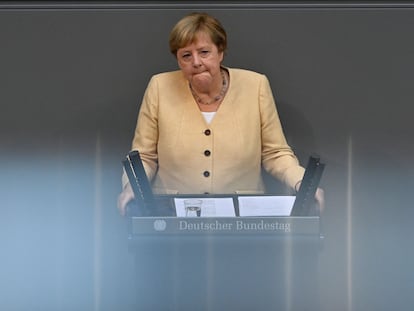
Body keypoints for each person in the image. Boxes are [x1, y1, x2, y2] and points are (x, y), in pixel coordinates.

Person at [117, 12, 324, 215]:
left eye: (204, 52)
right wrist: (132, 187)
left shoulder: (256, 86)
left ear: (220, 52)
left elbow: (275, 153)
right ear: (178, 60)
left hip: (241, 214)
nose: (196, 62)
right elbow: (144, 155)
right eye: (186, 55)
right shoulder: (159, 87)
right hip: (173, 213)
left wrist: (303, 183)